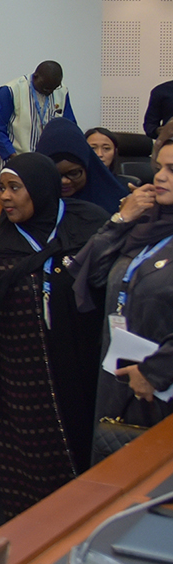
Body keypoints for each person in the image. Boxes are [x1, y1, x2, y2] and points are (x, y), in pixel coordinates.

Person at [0, 154, 108, 520]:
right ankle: (32, 533)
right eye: (2, 188)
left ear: (41, 189)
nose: (5, 197)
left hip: (80, 365)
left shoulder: (85, 228)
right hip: (19, 373)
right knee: (27, 460)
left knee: (81, 446)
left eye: (15, 188)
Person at [76, 132, 173, 461]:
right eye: (159, 167)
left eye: (172, 170)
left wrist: (155, 372)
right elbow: (92, 274)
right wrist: (121, 220)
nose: (159, 177)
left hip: (161, 385)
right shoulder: (145, 226)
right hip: (119, 378)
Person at [36, 118, 127, 215]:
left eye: (74, 173)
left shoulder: (118, 203)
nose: (64, 181)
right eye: (55, 174)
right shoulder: (28, 205)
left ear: (87, 168)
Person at [0, 60, 75, 163]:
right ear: (35, 77)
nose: (50, 92)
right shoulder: (11, 90)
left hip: (48, 163)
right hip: (14, 161)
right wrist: (13, 157)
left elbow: (69, 128)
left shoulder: (62, 92)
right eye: (46, 88)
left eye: (54, 88)